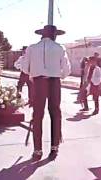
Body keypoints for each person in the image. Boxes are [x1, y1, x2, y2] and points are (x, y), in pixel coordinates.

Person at [23, 25, 71, 160]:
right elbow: (67, 70)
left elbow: (25, 69)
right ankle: (54, 147)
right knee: (55, 113)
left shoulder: (32, 48)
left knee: (37, 115)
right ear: (54, 35)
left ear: (42, 35)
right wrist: (56, 75)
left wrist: (36, 72)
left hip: (38, 83)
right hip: (54, 82)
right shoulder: (60, 48)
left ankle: (37, 150)